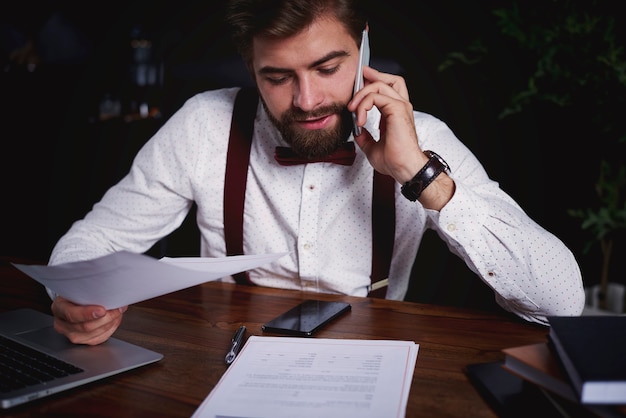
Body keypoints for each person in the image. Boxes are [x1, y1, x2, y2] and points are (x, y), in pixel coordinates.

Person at [47, 0, 585, 345]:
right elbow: (90, 242)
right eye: (277, 76)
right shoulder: (202, 125)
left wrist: (420, 175)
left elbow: (561, 301)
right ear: (248, 64)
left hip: (368, 372)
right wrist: (75, 299)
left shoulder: (424, 141)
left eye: (327, 68)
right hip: (224, 359)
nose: (306, 101)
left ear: (364, 46)